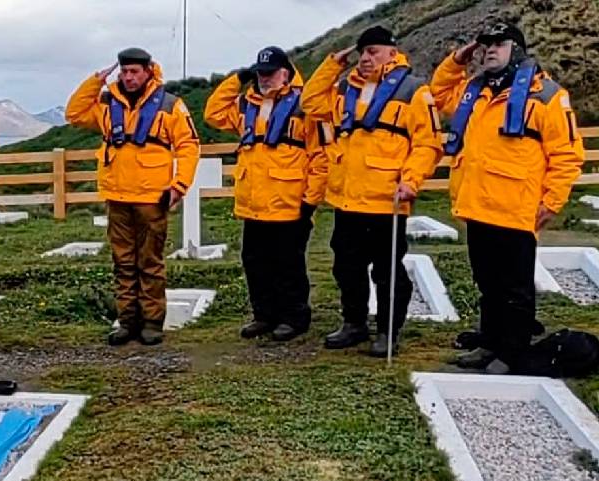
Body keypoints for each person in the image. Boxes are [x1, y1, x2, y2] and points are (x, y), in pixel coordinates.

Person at [431, 22, 584, 374]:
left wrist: (552, 201)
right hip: (476, 206)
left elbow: (567, 155)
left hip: (517, 209)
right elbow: (438, 95)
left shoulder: (546, 95)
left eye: (498, 44)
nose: (489, 50)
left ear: (517, 49)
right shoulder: (474, 91)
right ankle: (489, 343)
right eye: (485, 45)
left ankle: (511, 352)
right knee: (488, 284)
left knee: (515, 289)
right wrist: (458, 59)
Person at [301, 26, 443, 357]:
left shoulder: (413, 91)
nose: (366, 58)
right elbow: (309, 102)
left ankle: (388, 331)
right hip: (347, 199)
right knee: (346, 266)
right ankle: (354, 323)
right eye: (362, 52)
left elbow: (428, 144)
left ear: (393, 53)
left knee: (387, 270)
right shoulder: (344, 88)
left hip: (386, 200)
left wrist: (411, 180)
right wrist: (333, 63)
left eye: (374, 51)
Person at [66, 47, 200, 346]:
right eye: (124, 71)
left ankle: (152, 322)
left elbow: (189, 145)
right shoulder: (106, 102)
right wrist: (95, 81)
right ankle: (127, 321)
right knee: (122, 262)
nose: (128, 77)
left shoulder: (170, 105)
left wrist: (179, 185)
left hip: (153, 197)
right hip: (117, 196)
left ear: (148, 71)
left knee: (149, 262)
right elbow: (74, 114)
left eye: (134, 71)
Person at [204, 46, 330, 342]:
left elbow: (320, 158)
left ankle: (294, 318)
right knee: (255, 263)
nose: (264, 79)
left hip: (290, 204)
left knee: (289, 266)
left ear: (286, 72)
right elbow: (212, 113)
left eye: (270, 73)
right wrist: (238, 79)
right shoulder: (246, 105)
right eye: (260, 73)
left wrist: (310, 202)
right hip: (253, 204)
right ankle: (264, 316)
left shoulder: (306, 105)